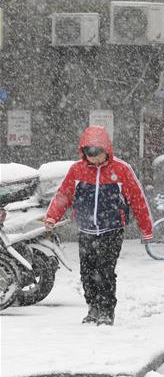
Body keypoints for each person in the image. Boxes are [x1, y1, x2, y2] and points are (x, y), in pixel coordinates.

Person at [44, 125, 153, 326]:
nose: (93, 158)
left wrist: (146, 227)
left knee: (105, 270)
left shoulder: (121, 170)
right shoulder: (77, 170)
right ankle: (93, 307)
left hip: (111, 229)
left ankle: (106, 310)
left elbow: (137, 199)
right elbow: (63, 195)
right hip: (85, 229)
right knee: (87, 272)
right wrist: (52, 217)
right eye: (89, 153)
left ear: (106, 150)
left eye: (97, 154)